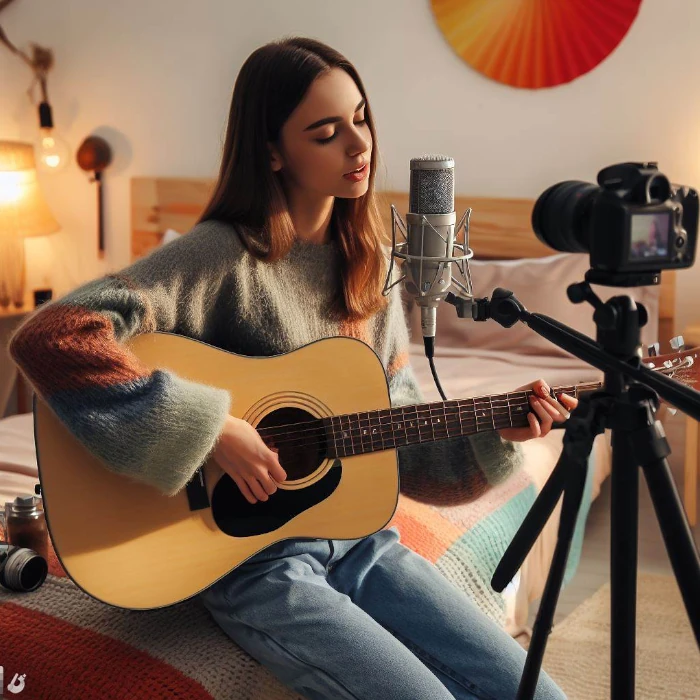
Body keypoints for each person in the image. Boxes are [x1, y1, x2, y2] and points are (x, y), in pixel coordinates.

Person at [9, 36, 576, 700]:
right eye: (328, 132)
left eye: (362, 119)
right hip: (251, 562)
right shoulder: (219, 258)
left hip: (361, 541)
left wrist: (494, 433)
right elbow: (53, 335)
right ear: (273, 151)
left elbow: (394, 439)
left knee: (541, 694)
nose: (359, 145)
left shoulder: (373, 271)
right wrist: (213, 431)